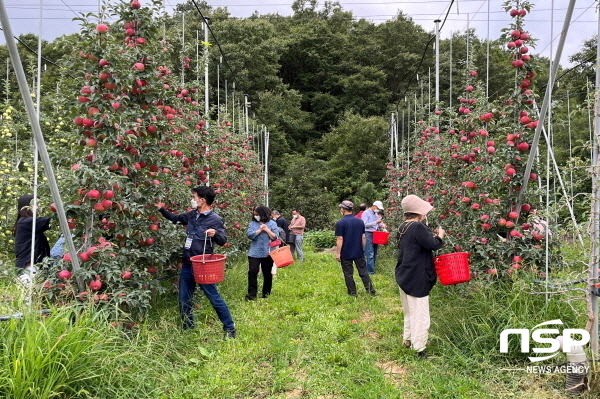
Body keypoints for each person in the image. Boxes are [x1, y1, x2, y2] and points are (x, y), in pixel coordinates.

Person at [156, 185, 236, 338]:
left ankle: (229, 327)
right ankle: (188, 328)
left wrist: (215, 234)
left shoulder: (215, 219)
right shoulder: (192, 215)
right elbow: (175, 218)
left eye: (194, 197)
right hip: (187, 264)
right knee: (184, 299)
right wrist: (160, 209)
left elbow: (223, 240)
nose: (192, 200)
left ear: (202, 200)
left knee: (213, 297)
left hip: (203, 265)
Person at [395, 194, 445, 359]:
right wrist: (440, 236)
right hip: (417, 276)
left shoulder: (403, 226)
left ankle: (407, 339)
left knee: (409, 311)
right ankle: (419, 349)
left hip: (405, 273)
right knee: (421, 315)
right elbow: (432, 244)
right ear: (419, 211)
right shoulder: (417, 227)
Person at [334, 200, 376, 297]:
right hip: (358, 251)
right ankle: (371, 290)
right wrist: (362, 249)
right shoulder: (360, 221)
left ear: (344, 210)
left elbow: (340, 238)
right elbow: (363, 237)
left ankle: (353, 293)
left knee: (348, 273)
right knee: (363, 271)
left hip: (346, 252)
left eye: (341, 208)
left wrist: (338, 253)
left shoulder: (340, 223)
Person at [13, 194, 52, 285]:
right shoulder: (26, 222)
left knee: (34, 296)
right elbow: (53, 220)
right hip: (29, 269)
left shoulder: (24, 222)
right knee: (30, 296)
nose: (38, 207)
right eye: (36, 204)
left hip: (31, 267)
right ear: (26, 206)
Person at [246, 205, 279, 300]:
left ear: (263, 214)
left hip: (268, 253)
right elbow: (249, 235)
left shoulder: (272, 224)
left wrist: (267, 230)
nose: (256, 216)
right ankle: (252, 294)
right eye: (255, 214)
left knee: (267, 273)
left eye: (257, 214)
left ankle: (266, 293)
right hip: (254, 252)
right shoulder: (252, 224)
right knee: (252, 272)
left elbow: (275, 237)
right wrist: (259, 230)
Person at [361, 200, 386, 274]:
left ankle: (371, 269)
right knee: (370, 253)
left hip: (375, 233)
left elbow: (378, 223)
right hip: (368, 233)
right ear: (374, 206)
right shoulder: (366, 213)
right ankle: (370, 271)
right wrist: (376, 222)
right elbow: (364, 224)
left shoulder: (375, 214)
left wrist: (382, 225)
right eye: (378, 208)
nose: (378, 210)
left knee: (375, 252)